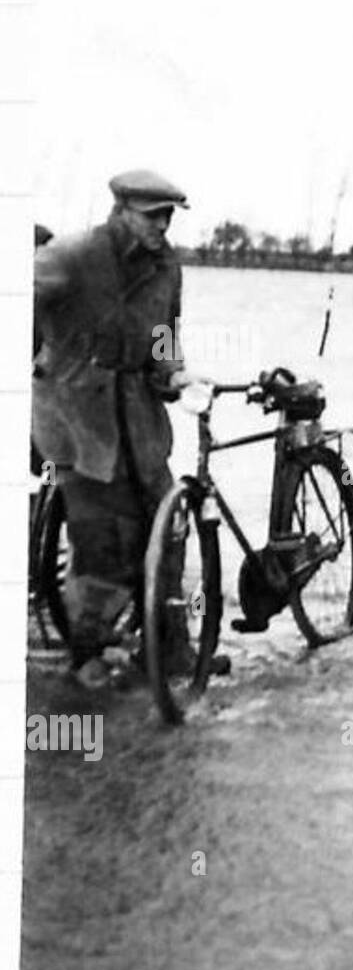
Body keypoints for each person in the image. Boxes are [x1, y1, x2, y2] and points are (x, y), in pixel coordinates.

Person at [32, 169, 206, 687]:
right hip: (75, 415)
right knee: (102, 542)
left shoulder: (166, 267)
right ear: (122, 211)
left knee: (167, 525)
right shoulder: (75, 254)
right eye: (154, 216)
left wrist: (173, 371)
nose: (164, 225)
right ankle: (87, 653)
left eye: (170, 216)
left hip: (139, 416)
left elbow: (164, 336)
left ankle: (168, 650)